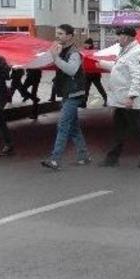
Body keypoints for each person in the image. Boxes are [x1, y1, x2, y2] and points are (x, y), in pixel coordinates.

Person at [98, 27, 140, 168]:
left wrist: (131, 96)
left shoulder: (136, 53)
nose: (117, 39)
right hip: (122, 100)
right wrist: (103, 64)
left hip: (129, 101)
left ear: (126, 37)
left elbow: (138, 76)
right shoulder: (126, 52)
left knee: (139, 129)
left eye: (119, 36)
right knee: (118, 130)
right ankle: (112, 158)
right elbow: (120, 68)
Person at [41, 24, 91, 170]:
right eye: (57, 33)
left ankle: (55, 159)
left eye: (61, 34)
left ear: (69, 36)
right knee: (73, 127)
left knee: (63, 125)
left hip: (73, 94)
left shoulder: (73, 53)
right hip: (68, 93)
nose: (58, 36)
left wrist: (55, 58)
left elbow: (71, 70)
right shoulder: (63, 51)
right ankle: (84, 155)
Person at [82, 37, 107, 107]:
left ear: (89, 44)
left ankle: (106, 99)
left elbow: (98, 61)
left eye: (86, 44)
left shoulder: (95, 52)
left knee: (99, 88)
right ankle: (84, 103)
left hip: (95, 74)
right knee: (86, 89)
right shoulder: (85, 52)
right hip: (87, 74)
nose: (84, 45)